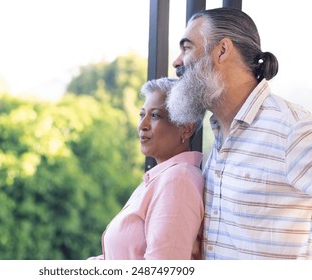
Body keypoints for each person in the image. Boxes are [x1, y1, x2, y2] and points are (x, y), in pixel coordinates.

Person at [168, 7, 312, 259]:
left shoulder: (293, 129)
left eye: (187, 47)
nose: (177, 61)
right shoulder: (219, 132)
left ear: (222, 50)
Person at [88, 77, 206, 260]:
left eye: (155, 116)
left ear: (186, 129)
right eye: (142, 114)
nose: (142, 125)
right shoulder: (158, 179)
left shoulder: (178, 181)